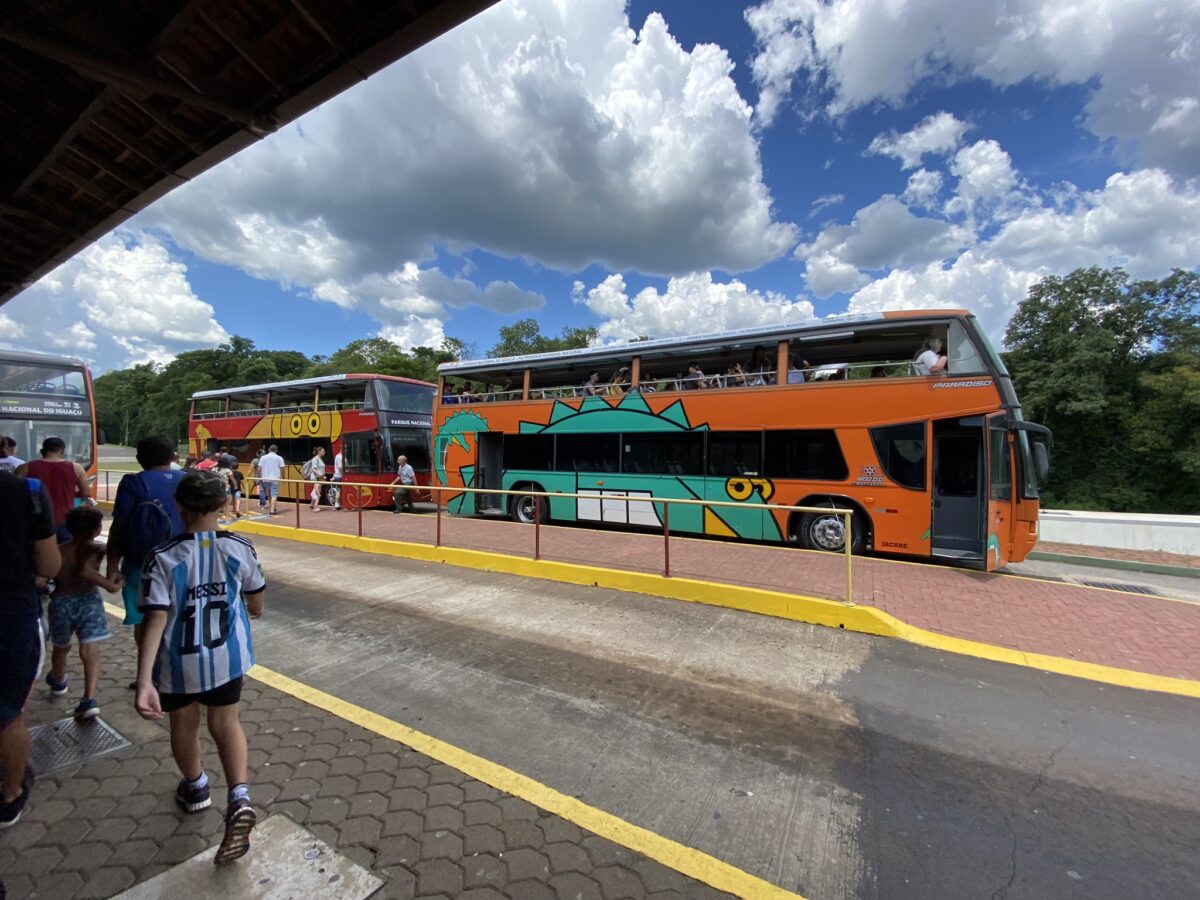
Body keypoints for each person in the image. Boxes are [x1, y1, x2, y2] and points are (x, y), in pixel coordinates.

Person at [135, 470, 265, 864]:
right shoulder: (240, 547)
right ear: (224, 505)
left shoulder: (163, 556)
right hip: (226, 660)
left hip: (178, 665)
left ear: (179, 506)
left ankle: (196, 787)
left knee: (184, 726)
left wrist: (144, 681)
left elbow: (154, 620)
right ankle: (239, 797)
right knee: (226, 724)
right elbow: (256, 605)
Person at [0, 470, 60, 828]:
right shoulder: (28, 491)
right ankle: (11, 793)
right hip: (12, 615)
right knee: (9, 713)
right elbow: (49, 565)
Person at [106, 435, 186, 648]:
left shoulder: (133, 483)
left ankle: (148, 672)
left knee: (144, 621)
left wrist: (113, 566)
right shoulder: (189, 479)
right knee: (178, 617)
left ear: (139, 458)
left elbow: (119, 528)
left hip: (141, 562)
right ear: (173, 457)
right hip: (185, 561)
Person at [46, 507, 123, 721]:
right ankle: (88, 698)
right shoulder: (96, 550)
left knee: (61, 647)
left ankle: (59, 679)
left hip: (61, 602)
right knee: (90, 651)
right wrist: (113, 585)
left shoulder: (58, 550)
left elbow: (44, 577)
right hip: (88, 602)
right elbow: (86, 571)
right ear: (98, 529)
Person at [17, 436, 91, 542]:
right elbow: (86, 493)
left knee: (37, 555)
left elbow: (14, 492)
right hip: (65, 520)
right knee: (64, 554)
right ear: (62, 450)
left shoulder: (25, 468)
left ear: (42, 450)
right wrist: (69, 493)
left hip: (35, 520)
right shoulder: (76, 468)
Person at [256, 444, 284, 516]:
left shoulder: (263, 458)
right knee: (274, 494)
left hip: (265, 478)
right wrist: (283, 477)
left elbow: (259, 469)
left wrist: (260, 478)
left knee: (268, 494)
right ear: (276, 451)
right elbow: (282, 469)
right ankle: (272, 510)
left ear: (269, 450)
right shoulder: (279, 458)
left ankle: (272, 507)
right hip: (274, 479)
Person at [304, 447, 326, 512]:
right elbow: (313, 469)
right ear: (319, 452)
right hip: (316, 477)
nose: (324, 452)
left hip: (319, 477)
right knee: (317, 491)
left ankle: (311, 504)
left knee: (315, 491)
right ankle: (315, 506)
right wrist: (319, 475)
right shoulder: (315, 459)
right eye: (323, 451)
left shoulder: (319, 459)